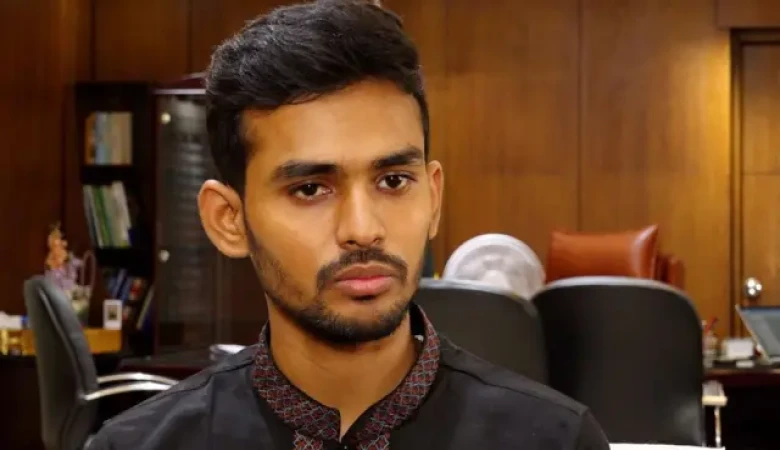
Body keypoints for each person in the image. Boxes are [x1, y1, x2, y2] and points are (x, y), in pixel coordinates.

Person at [89, 1, 610, 449]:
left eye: (393, 181)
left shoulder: (555, 439)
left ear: (433, 199)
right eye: (310, 189)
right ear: (229, 220)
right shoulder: (136, 445)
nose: (363, 229)